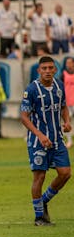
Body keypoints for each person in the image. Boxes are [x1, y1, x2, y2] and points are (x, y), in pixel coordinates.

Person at [20, 56, 71, 226]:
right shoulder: (32, 90)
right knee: (39, 177)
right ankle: (39, 217)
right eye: (44, 68)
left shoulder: (59, 86)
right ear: (39, 70)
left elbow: (63, 106)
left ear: (55, 69)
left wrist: (67, 121)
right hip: (38, 141)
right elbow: (24, 117)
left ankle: (43, 200)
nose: (48, 71)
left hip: (57, 139)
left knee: (65, 173)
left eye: (51, 68)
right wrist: (40, 135)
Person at [63, 57, 74, 148]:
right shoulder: (63, 74)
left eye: (70, 63)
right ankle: (69, 141)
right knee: (67, 122)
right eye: (67, 63)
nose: (68, 64)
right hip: (67, 102)